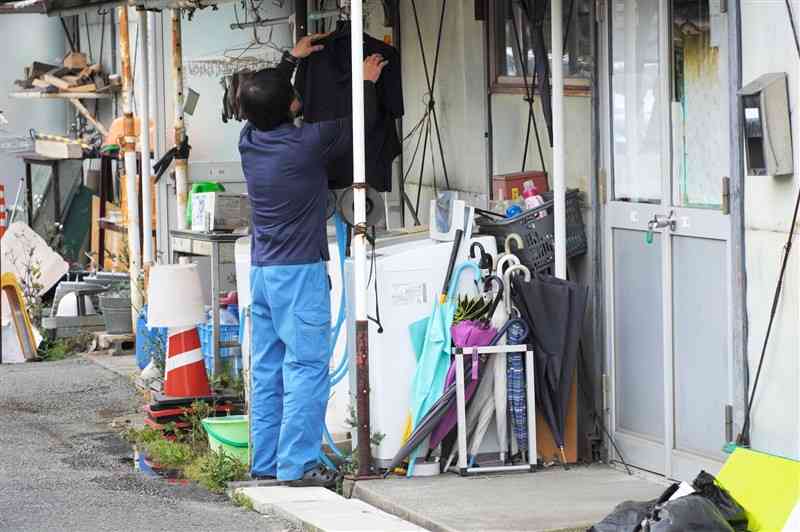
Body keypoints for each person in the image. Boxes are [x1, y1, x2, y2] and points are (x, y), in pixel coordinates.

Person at [238, 35, 387, 487]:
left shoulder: (249, 142)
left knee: (268, 371)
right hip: (298, 274)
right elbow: (355, 123)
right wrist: (365, 83)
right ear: (291, 108)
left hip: (262, 273)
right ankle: (297, 465)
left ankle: (266, 462)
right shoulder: (307, 145)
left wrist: (291, 60)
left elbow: (264, 102)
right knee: (306, 369)